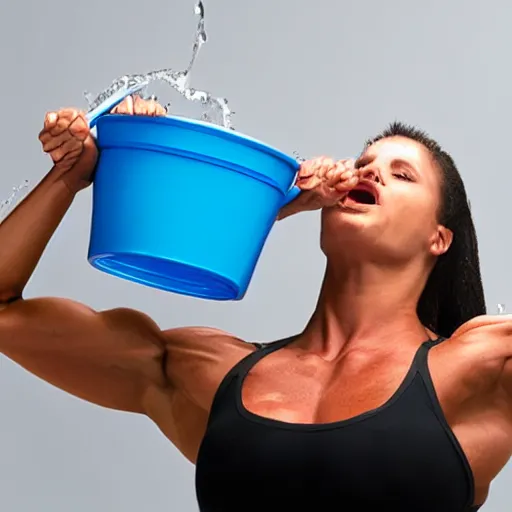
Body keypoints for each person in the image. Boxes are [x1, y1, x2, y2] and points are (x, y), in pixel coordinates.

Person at [0, 94, 510, 512]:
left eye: (402, 175)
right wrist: (73, 175)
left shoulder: (479, 368)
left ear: (439, 238)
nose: (370, 173)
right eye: (363, 163)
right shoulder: (211, 373)